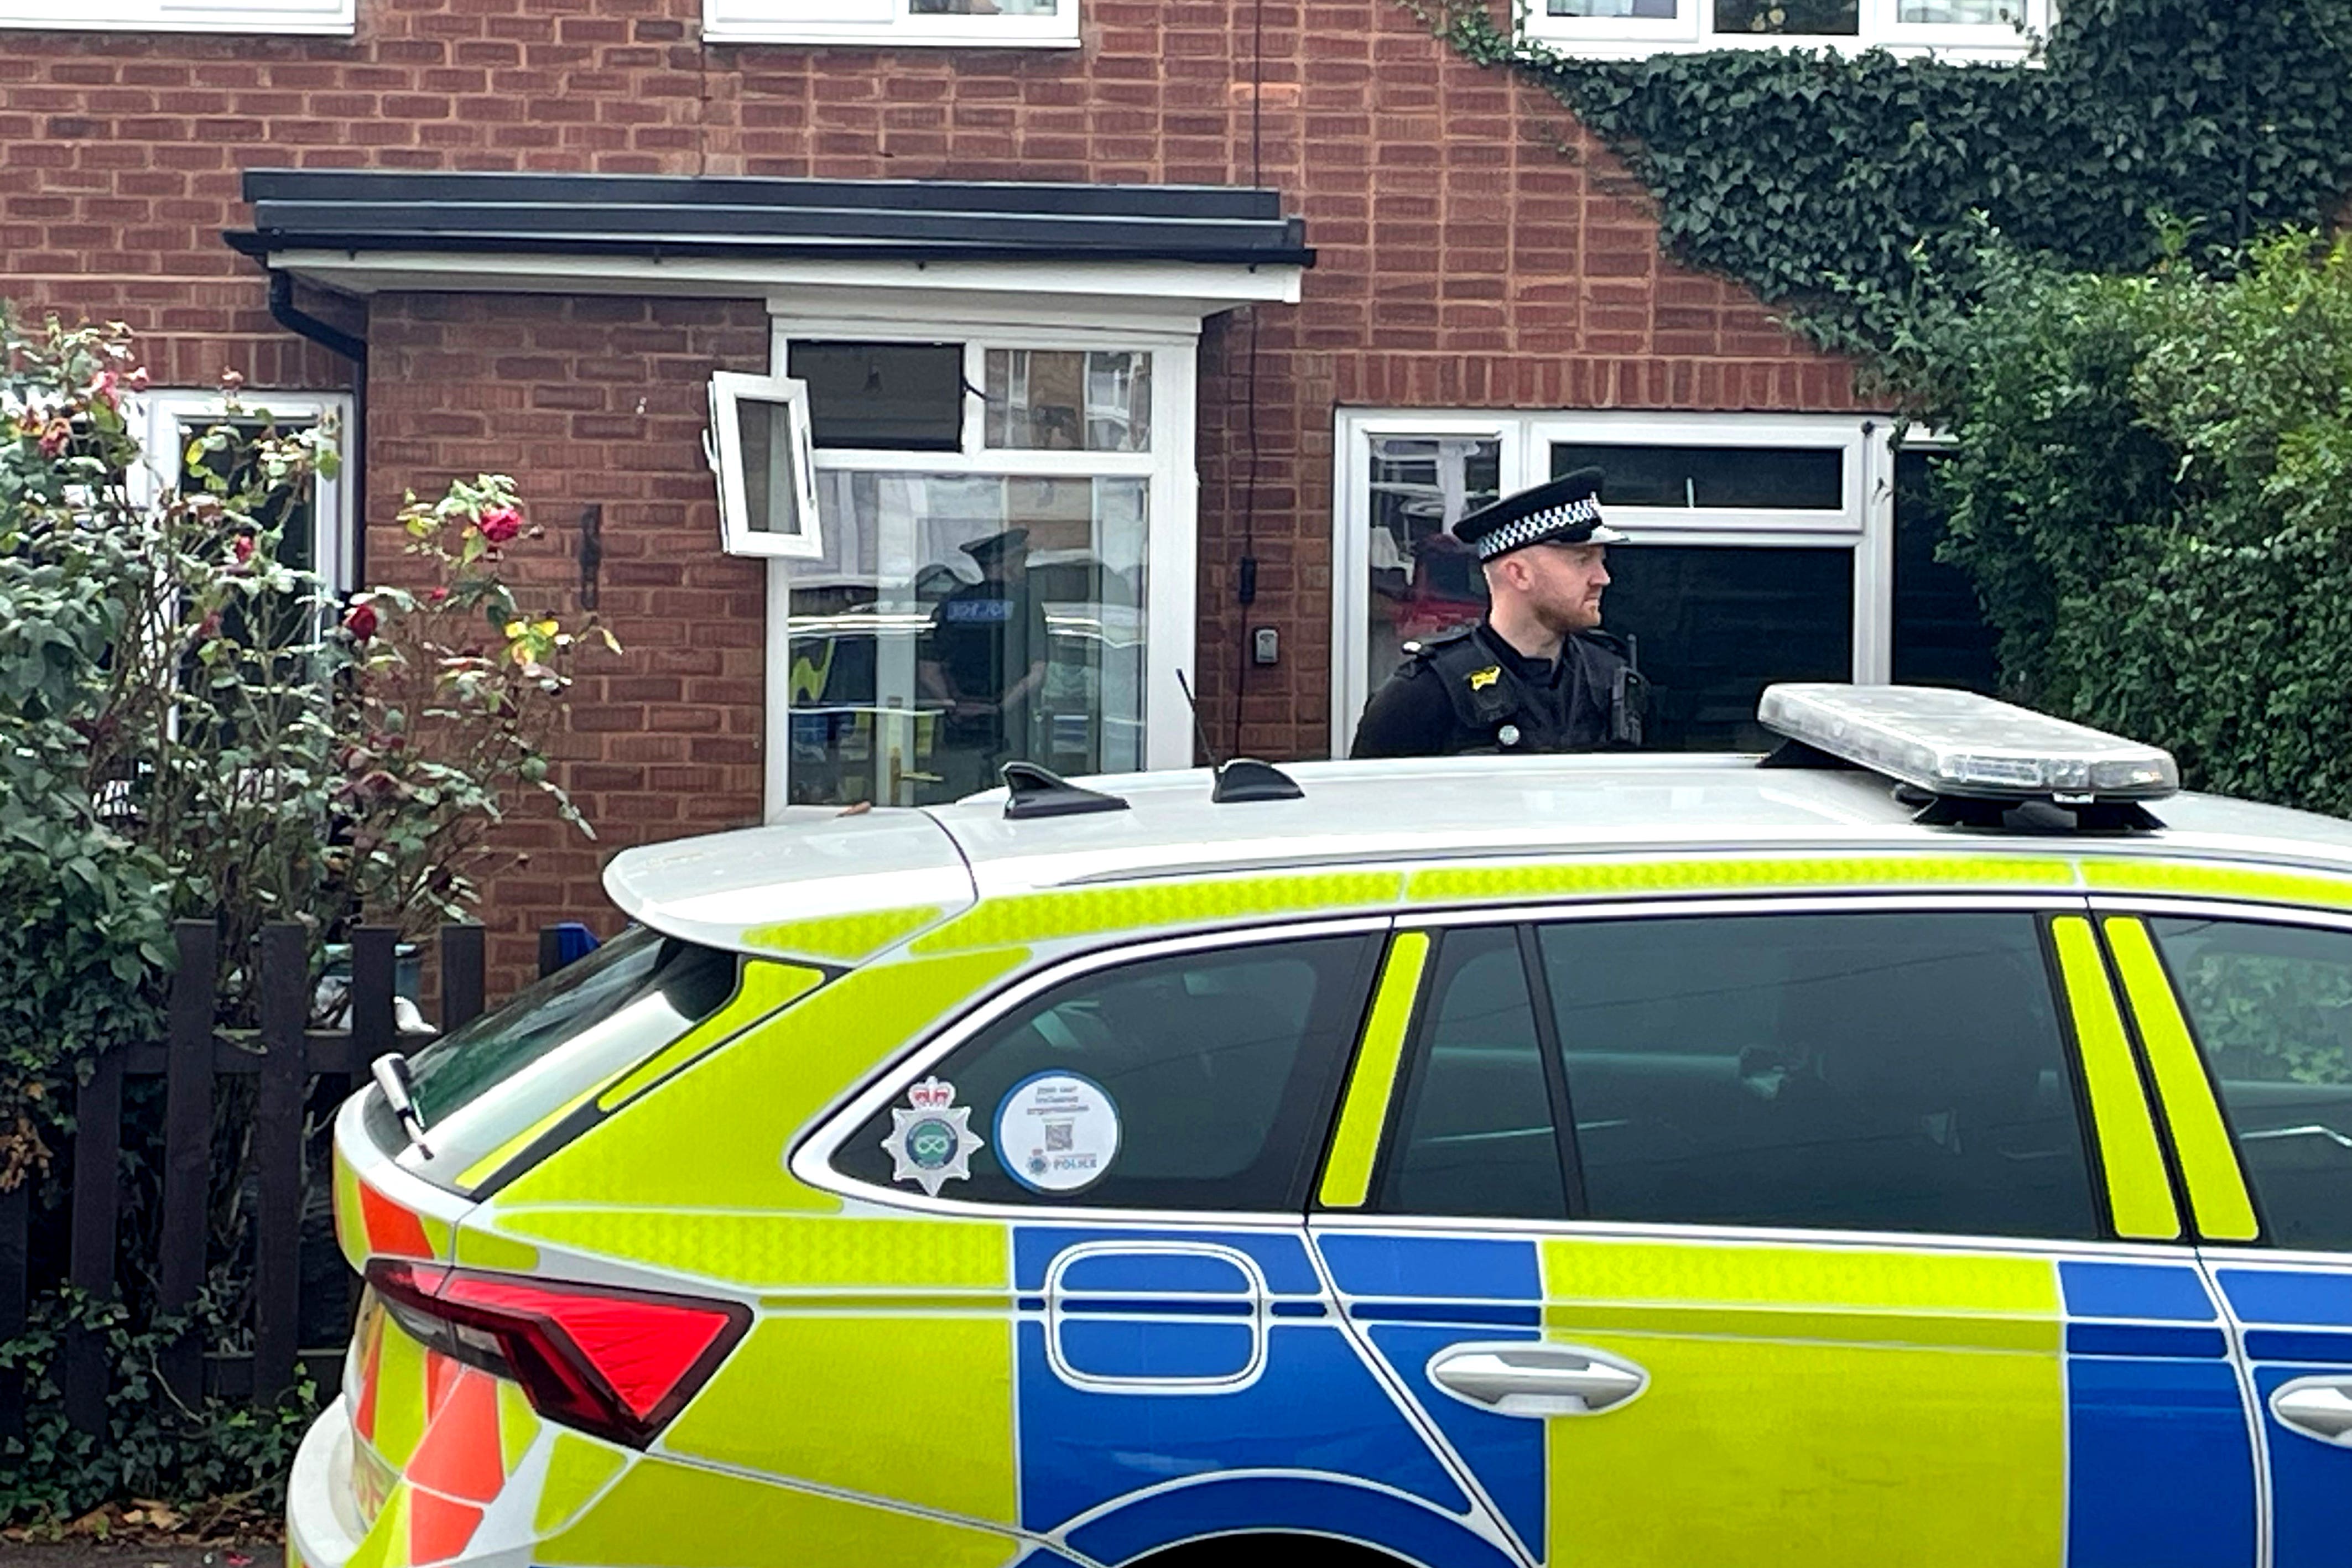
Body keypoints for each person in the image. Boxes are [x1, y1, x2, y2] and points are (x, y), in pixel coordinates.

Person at [1349, 467, 1646, 757]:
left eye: (1601, 561)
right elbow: (1369, 804)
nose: (1602, 578)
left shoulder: (1613, 682)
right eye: (1583, 561)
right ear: (1518, 574)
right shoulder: (1423, 696)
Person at [919, 527, 1053, 793]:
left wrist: (957, 705)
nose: (1024, 566)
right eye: (1022, 558)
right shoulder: (1025, 603)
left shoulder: (952, 603)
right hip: (1010, 730)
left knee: (958, 802)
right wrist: (1000, 707)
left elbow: (928, 669)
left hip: (957, 731)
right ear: (1007, 563)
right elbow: (1037, 672)